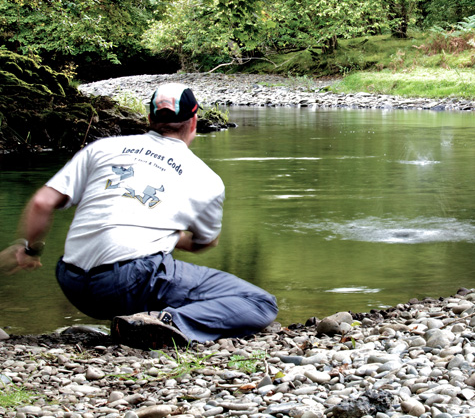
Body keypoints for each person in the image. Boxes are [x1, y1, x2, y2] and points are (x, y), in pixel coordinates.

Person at [1, 83, 278, 349]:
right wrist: (173, 236)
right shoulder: (206, 178)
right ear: (194, 122)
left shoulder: (102, 148)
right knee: (259, 303)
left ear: (149, 119)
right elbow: (204, 242)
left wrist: (29, 250)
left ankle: (138, 319)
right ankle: (166, 321)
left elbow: (41, 203)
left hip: (72, 282)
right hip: (129, 284)